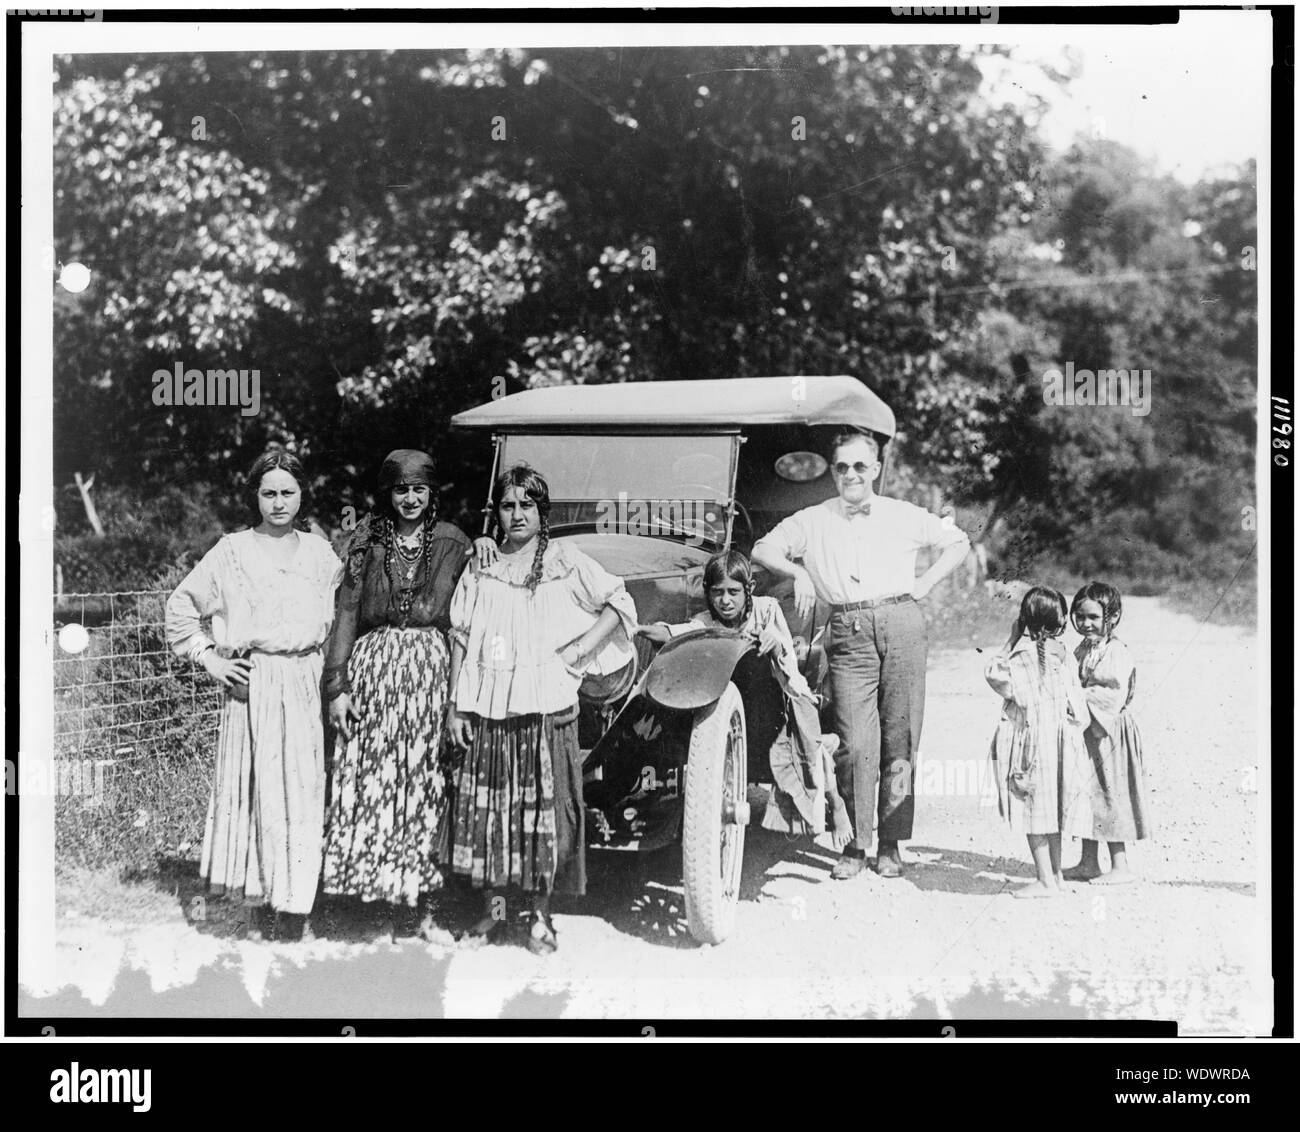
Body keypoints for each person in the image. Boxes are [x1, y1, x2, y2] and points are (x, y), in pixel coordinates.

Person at [751, 428, 969, 880]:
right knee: (854, 741)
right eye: (842, 467)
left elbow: (958, 541)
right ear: (833, 472)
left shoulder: (902, 514)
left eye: (859, 466)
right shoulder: (813, 519)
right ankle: (855, 841)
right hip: (847, 631)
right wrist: (798, 573)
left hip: (901, 622)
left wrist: (925, 584)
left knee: (901, 735)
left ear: (875, 470)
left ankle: (890, 843)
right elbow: (761, 548)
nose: (851, 474)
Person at [446, 464, 638, 954]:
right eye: (507, 506)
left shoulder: (565, 561)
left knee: (545, 818)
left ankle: (540, 919)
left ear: (541, 511)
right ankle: (495, 915)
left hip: (548, 708)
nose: (516, 515)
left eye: (526, 505)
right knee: (495, 817)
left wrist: (576, 653)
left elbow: (618, 603)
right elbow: (461, 640)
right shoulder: (481, 565)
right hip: (490, 711)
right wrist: (456, 707)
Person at [166, 450, 342, 941]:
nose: (279, 502)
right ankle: (262, 898)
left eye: (288, 492)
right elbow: (181, 605)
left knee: (301, 791)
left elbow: (339, 619)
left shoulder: (321, 553)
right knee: (258, 789)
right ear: (256, 497)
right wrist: (211, 658)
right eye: (269, 493)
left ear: (302, 495)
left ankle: (295, 906)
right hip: (253, 682)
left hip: (305, 678)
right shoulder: (232, 550)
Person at [321, 449, 474, 936]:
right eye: (401, 490)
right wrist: (337, 686)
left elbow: (472, 610)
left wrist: (488, 545)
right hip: (374, 677)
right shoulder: (366, 541)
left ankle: (424, 907)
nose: (410, 499)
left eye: (419, 490)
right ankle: (376, 907)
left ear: (432, 493)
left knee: (426, 785)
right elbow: (346, 613)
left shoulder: (455, 542)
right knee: (375, 785)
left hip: (429, 680)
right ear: (388, 494)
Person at [637, 549, 852, 850]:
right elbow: (682, 631)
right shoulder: (705, 620)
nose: (725, 601)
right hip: (732, 704)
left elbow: (788, 661)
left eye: (733, 592)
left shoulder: (766, 610)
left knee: (808, 742)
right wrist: (652, 630)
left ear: (748, 590)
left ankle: (836, 802)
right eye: (717, 593)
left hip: (775, 699)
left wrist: (774, 643)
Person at [984, 586, 1095, 898]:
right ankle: (1055, 876)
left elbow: (993, 673)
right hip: (1062, 744)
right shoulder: (1065, 659)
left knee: (1034, 810)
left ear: (1024, 621)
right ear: (1060, 624)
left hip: (1032, 747)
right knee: (1054, 810)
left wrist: (1010, 639)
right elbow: (1080, 712)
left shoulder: (1020, 658)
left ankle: (1045, 880)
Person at [1062, 582, 1151, 884]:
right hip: (1089, 731)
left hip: (1108, 732)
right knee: (1087, 794)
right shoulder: (1083, 650)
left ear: (1111, 618)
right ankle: (1088, 862)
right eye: (1080, 617)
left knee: (1109, 792)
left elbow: (1109, 694)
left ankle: (1120, 865)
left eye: (1093, 617)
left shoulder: (1116, 653)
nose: (1086, 623)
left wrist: (1073, 696)